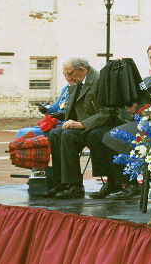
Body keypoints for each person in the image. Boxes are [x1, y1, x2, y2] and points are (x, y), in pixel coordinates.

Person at [98, 43, 151, 200]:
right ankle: (118, 182)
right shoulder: (147, 80)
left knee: (115, 136)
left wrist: (138, 110)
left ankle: (133, 184)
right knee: (104, 135)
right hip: (139, 121)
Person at [44, 56, 104, 199]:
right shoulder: (78, 81)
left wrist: (83, 124)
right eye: (65, 74)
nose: (67, 77)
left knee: (67, 135)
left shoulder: (99, 80)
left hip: (95, 126)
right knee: (55, 134)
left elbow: (107, 111)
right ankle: (61, 183)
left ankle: (75, 186)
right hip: (80, 124)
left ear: (82, 70)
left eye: (69, 74)